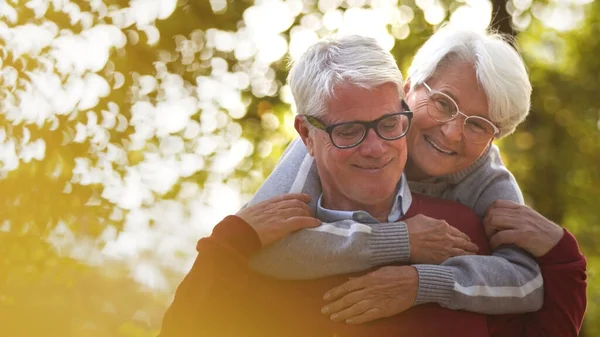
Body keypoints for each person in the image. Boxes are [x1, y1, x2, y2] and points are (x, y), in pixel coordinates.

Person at [159, 34, 586, 337]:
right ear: (408, 91)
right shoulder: (313, 147)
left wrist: (422, 283)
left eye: (478, 125)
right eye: (443, 103)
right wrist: (398, 242)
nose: (453, 133)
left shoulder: (472, 218)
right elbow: (261, 246)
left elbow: (528, 290)